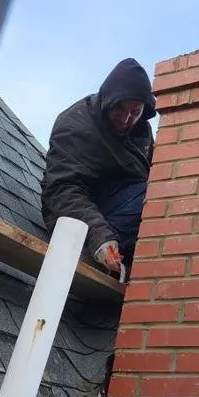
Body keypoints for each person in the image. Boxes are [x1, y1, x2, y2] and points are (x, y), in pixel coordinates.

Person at [42, 58, 156, 276]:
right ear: (108, 100)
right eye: (120, 109)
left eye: (135, 112)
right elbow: (62, 190)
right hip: (78, 214)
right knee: (152, 195)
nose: (125, 119)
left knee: (164, 192)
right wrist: (100, 236)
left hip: (122, 205)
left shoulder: (141, 131)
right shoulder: (76, 125)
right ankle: (93, 254)